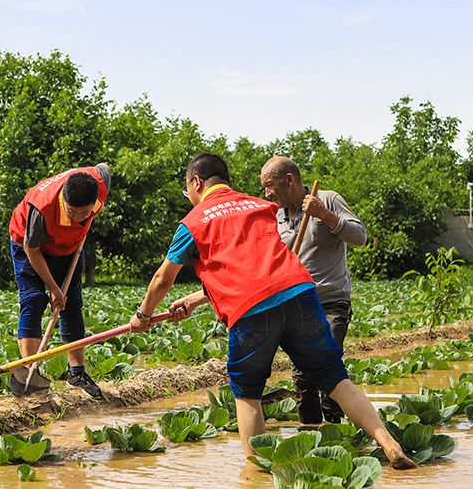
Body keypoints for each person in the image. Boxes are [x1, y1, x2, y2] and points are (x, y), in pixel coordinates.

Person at [129, 153, 414, 469]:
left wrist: (142, 316)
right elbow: (255, 264)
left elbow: (162, 278)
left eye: (188, 189)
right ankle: (390, 445)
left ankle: (256, 472)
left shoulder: (193, 222)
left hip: (251, 309)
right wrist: (196, 299)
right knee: (335, 378)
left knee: (248, 392)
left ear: (196, 183)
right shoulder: (259, 207)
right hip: (299, 293)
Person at [260, 156, 367, 426]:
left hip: (332, 301)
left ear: (289, 180)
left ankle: (335, 430)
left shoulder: (328, 199)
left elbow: (360, 237)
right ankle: (309, 434)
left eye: (269, 186)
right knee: (302, 376)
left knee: (327, 364)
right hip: (297, 304)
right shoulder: (275, 216)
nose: (267, 194)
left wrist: (325, 215)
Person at [7, 163, 111, 398]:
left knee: (72, 304)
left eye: (84, 213)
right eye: (73, 212)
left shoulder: (99, 186)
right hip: (29, 246)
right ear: (63, 199)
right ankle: (29, 371)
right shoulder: (42, 208)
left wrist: (85, 220)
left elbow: (104, 168)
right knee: (33, 300)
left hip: (68, 248)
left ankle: (77, 372)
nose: (78, 218)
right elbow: (32, 250)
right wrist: (54, 288)